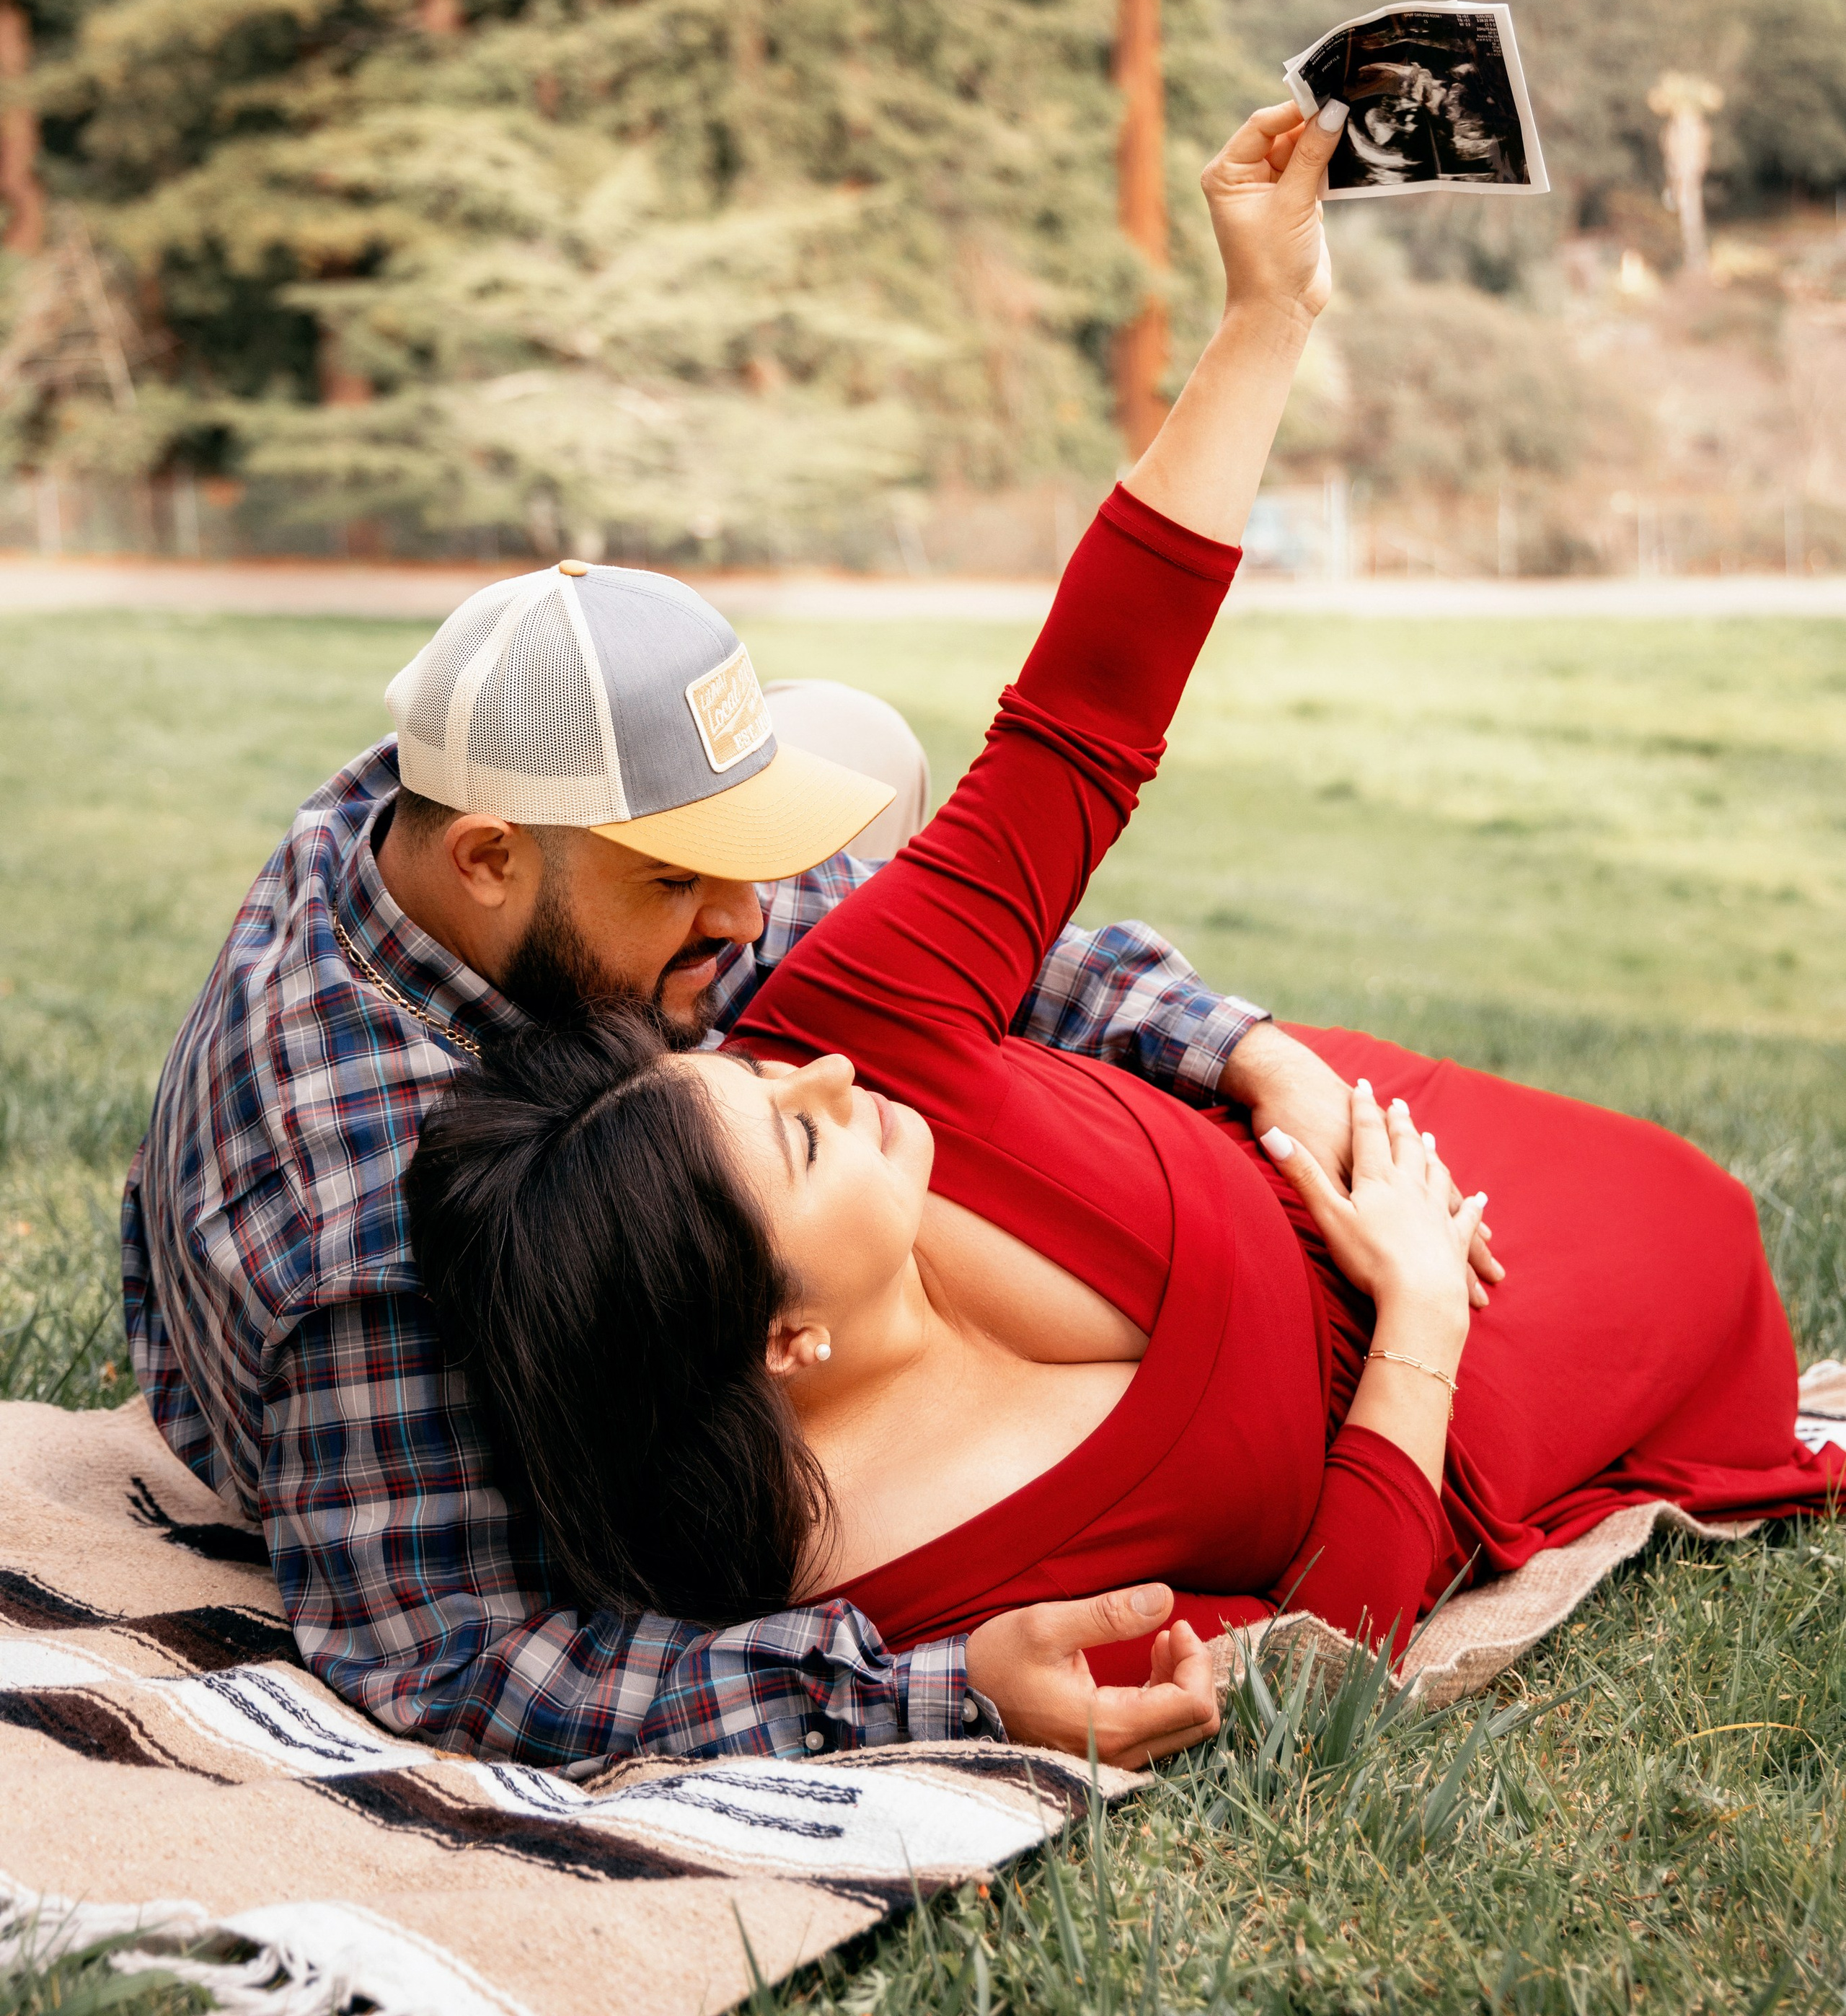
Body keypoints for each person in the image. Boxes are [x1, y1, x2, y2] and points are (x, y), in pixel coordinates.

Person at [409, 94, 1843, 1733]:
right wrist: (1420, 1325)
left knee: (1687, 1202)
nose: (812, 1078)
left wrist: (1264, 316)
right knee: (1717, 1262)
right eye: (795, 1137)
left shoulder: (845, 1027)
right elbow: (1311, 1654)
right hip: (1443, 1385)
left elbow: (1080, 718)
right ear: (784, 1339)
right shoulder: (915, 1607)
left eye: (768, 1078)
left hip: (1379, 1155)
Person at [128, 261, 1431, 1770]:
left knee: (856, 758)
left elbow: (869, 923)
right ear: (485, 854)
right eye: (688, 877)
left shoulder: (455, 822)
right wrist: (933, 1694)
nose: (751, 919)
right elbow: (467, 1662)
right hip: (386, 1410)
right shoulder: (359, 1245)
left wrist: (1233, 1040)